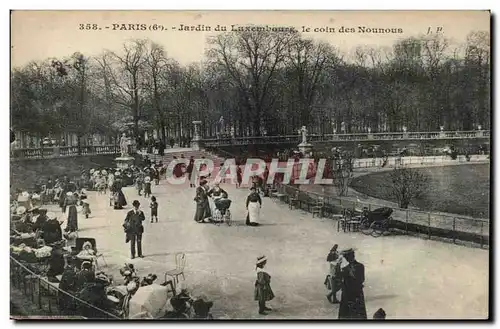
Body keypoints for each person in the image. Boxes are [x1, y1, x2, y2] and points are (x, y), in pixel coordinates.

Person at [338, 249, 367, 320]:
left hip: (355, 294)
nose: (347, 259)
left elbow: (361, 279)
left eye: (347, 257)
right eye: (346, 257)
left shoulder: (359, 266)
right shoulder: (346, 268)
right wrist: (338, 266)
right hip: (349, 295)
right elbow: (338, 278)